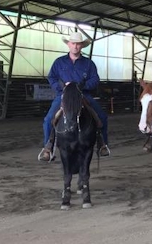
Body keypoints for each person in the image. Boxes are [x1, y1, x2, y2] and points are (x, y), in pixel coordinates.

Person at [38, 32, 110, 161]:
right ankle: (47, 148)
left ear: (82, 46)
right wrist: (61, 87)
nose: (75, 46)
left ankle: (102, 144)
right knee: (48, 119)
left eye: (78, 44)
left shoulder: (89, 64)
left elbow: (95, 79)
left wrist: (81, 86)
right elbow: (52, 77)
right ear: (68, 44)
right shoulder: (59, 62)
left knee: (102, 117)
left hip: (83, 95)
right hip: (63, 96)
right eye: (73, 43)